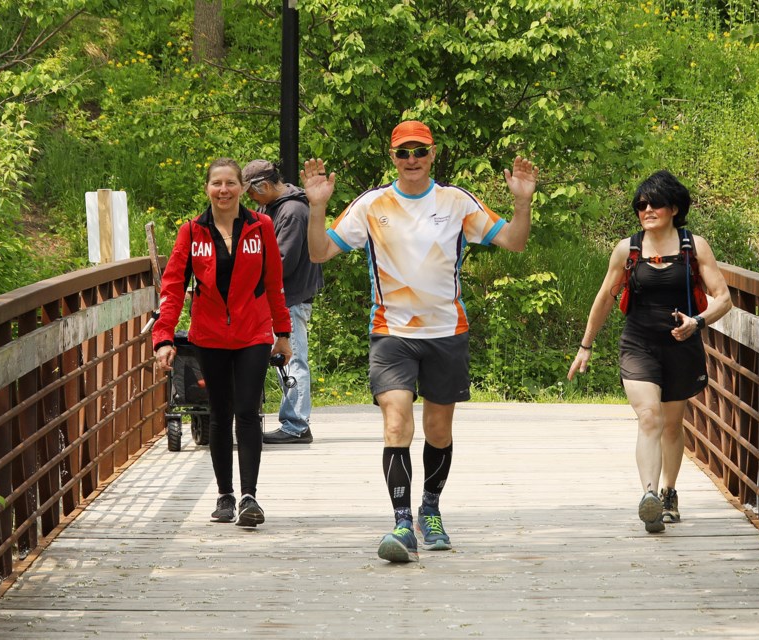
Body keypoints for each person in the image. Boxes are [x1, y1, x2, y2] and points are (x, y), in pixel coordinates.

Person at [300, 120, 539, 563]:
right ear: (392, 157)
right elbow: (319, 253)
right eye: (403, 152)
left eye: (420, 151)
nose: (412, 160)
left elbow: (514, 242)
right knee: (395, 423)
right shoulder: (372, 204)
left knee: (438, 430)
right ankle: (402, 522)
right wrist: (316, 208)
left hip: (447, 332)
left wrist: (522, 203)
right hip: (392, 333)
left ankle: (430, 508)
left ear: (433, 155)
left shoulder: (455, 201)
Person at [567, 170, 732, 533]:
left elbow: (724, 299)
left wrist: (697, 322)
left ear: (674, 208)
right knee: (649, 418)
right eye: (641, 205)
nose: (647, 209)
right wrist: (586, 345)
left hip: (682, 345)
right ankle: (649, 497)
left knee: (672, 425)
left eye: (655, 203)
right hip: (639, 344)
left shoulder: (694, 246)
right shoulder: (629, 249)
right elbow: (604, 298)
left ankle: (670, 492)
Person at [152, 157, 293, 527]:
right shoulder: (192, 232)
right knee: (219, 413)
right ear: (207, 189)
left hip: (253, 333)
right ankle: (224, 496)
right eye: (217, 183)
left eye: (231, 183)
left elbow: (275, 284)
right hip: (210, 334)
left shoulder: (261, 227)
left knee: (247, 410)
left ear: (243, 188)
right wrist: (163, 338)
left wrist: (284, 333)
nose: (224, 190)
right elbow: (172, 288)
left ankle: (249, 498)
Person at [242, 159, 324, 445]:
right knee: (284, 358)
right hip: (281, 297)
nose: (250, 200)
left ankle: (297, 425)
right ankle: (293, 421)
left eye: (251, 193)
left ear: (263, 185)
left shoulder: (291, 211)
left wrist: (244, 281)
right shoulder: (272, 206)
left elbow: (282, 263)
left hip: (292, 297)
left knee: (293, 359)